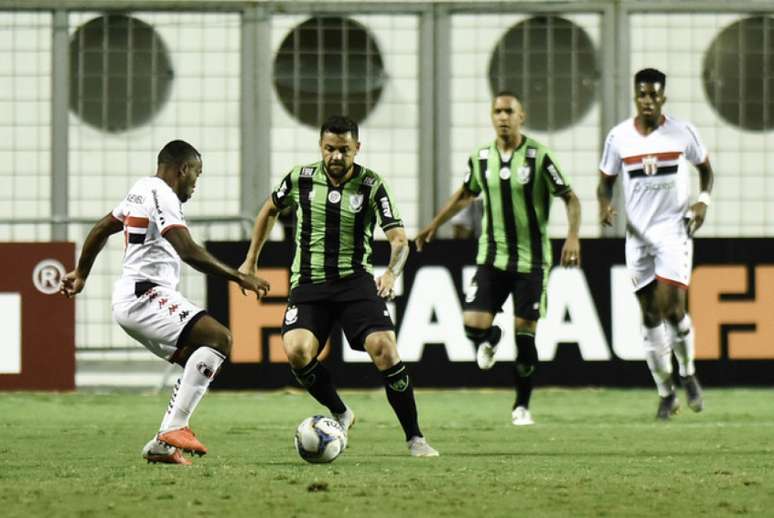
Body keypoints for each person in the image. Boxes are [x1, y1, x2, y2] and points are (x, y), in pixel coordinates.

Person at [59, 140, 271, 464]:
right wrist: (239, 276)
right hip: (145, 295)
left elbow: (102, 228)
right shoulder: (163, 194)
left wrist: (81, 273)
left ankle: (162, 444)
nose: (195, 184)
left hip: (137, 298)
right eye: (196, 175)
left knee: (198, 361)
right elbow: (187, 250)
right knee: (219, 338)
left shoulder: (141, 189)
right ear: (183, 169)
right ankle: (176, 428)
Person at [239, 115, 439, 457]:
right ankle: (341, 412)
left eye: (344, 150)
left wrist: (391, 272)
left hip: (354, 283)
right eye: (330, 149)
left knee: (386, 349)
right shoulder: (300, 179)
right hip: (308, 284)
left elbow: (399, 239)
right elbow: (270, 209)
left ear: (356, 148)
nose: (336, 156)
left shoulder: (372, 185)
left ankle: (415, 437)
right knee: (297, 351)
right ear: (321, 146)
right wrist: (250, 261)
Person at [416, 91, 581, 426]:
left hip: (531, 261)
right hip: (492, 256)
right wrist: (433, 225)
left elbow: (570, 198)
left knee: (525, 337)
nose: (503, 117)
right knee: (472, 326)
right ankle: (491, 338)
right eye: (497, 111)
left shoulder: (539, 157)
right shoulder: (480, 158)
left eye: (509, 111)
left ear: (522, 117)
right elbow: (465, 194)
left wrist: (573, 236)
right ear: (491, 117)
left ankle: (522, 405)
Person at [596, 68, 714, 420]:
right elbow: (605, 181)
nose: (648, 100)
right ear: (636, 96)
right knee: (648, 315)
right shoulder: (619, 137)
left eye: (654, 95)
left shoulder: (682, 132)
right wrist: (604, 204)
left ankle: (688, 372)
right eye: (642, 95)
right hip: (638, 236)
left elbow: (707, 170)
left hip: (673, 231)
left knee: (671, 308)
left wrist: (703, 201)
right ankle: (666, 392)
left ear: (663, 97)